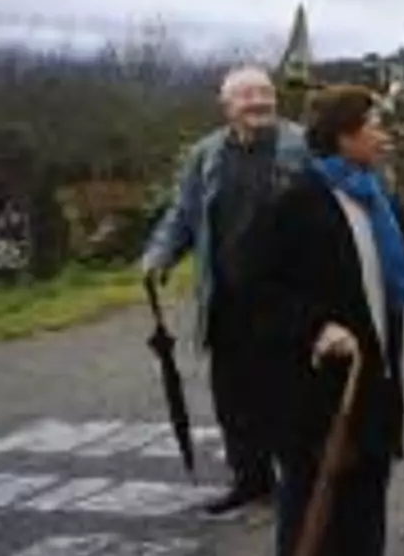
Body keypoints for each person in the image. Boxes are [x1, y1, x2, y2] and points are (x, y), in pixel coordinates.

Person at [245, 85, 404, 555]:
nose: (386, 136)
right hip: (315, 391)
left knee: (364, 512)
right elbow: (257, 287)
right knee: (313, 513)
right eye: (375, 126)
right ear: (344, 136)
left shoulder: (377, 197)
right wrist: (316, 326)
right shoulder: (296, 201)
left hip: (374, 384)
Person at [140, 65, 307, 516]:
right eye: (247, 95)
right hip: (227, 298)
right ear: (226, 105)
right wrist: (160, 255)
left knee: (290, 392)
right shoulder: (207, 153)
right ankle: (251, 480)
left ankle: (300, 483)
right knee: (235, 396)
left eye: (265, 93)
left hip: (289, 298)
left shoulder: (302, 146)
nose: (259, 102)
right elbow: (184, 212)